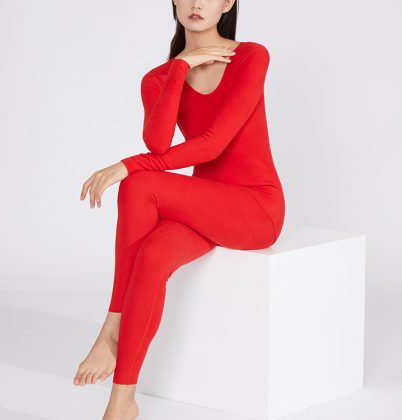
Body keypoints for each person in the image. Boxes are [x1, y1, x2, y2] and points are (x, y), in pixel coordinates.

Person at [73, 0, 285, 418]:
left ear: (228, 3)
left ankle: (112, 324)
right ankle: (122, 400)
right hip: (204, 204)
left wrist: (127, 165)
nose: (196, 3)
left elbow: (213, 144)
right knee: (153, 255)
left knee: (138, 183)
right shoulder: (157, 78)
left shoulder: (250, 56)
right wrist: (180, 68)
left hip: (256, 207)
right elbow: (157, 142)